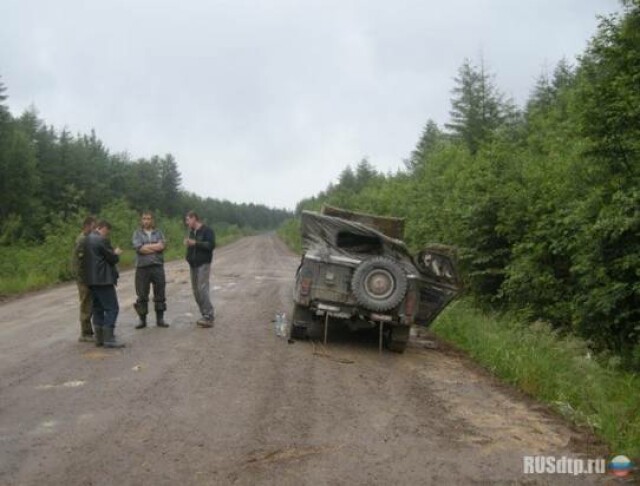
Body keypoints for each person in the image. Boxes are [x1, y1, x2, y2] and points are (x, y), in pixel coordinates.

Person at [84, 220, 125, 348]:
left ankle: (99, 338)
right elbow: (111, 258)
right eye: (107, 231)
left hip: (91, 280)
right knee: (112, 308)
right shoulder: (101, 240)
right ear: (102, 228)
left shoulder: (86, 239)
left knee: (97, 308)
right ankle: (108, 338)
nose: (107, 234)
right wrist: (116, 253)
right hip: (103, 279)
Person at [132, 211, 169, 329]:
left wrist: (146, 247)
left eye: (148, 219)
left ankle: (160, 319)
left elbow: (162, 246)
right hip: (142, 267)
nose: (146, 221)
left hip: (157, 265)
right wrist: (155, 247)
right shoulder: (137, 233)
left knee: (160, 292)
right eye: (144, 219)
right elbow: (139, 248)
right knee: (142, 294)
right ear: (141, 220)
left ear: (152, 220)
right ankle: (142, 320)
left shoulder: (159, 232)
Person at [184, 211, 216, 328]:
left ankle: (209, 316)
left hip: (203, 264)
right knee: (196, 291)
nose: (187, 223)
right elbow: (191, 246)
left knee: (202, 289)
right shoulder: (191, 232)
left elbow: (211, 245)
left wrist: (196, 243)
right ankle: (204, 314)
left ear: (194, 219)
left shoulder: (207, 231)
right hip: (193, 265)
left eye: (188, 220)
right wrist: (188, 255)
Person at [72, 215, 96, 342]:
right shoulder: (82, 240)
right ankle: (85, 334)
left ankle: (89, 331)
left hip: (87, 277)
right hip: (83, 279)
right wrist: (83, 279)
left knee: (89, 304)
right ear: (87, 226)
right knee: (86, 304)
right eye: (93, 226)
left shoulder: (88, 239)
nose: (94, 229)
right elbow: (80, 262)